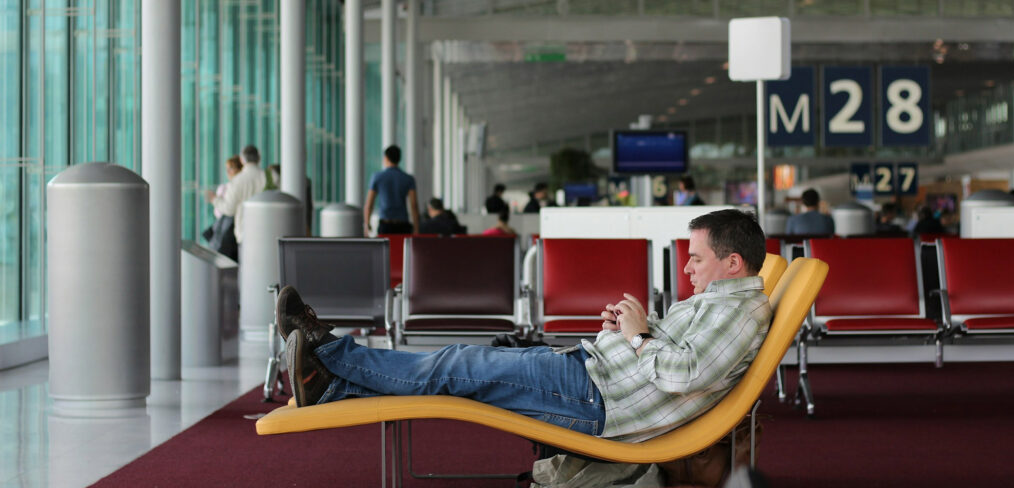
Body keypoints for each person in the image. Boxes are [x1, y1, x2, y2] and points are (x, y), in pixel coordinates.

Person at [277, 209, 771, 443]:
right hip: (591, 375)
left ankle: (327, 352)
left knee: (458, 364)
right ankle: (329, 387)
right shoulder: (717, 302)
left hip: (595, 399)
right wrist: (622, 330)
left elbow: (685, 375)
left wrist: (638, 335)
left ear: (732, 263)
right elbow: (674, 357)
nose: (686, 269)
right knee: (457, 371)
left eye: (696, 259)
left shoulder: (738, 314)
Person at [206, 145, 267, 245]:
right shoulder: (268, 177)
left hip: (245, 233)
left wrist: (214, 200)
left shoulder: (237, 181)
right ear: (259, 158)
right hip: (266, 232)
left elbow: (229, 208)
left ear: (242, 160)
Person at [364, 145, 419, 236]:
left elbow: (369, 204)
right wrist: (416, 228)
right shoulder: (408, 179)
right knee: (402, 250)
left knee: (386, 250)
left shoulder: (377, 177)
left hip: (385, 225)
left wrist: (367, 224)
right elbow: (414, 205)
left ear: (386, 158)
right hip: (403, 225)